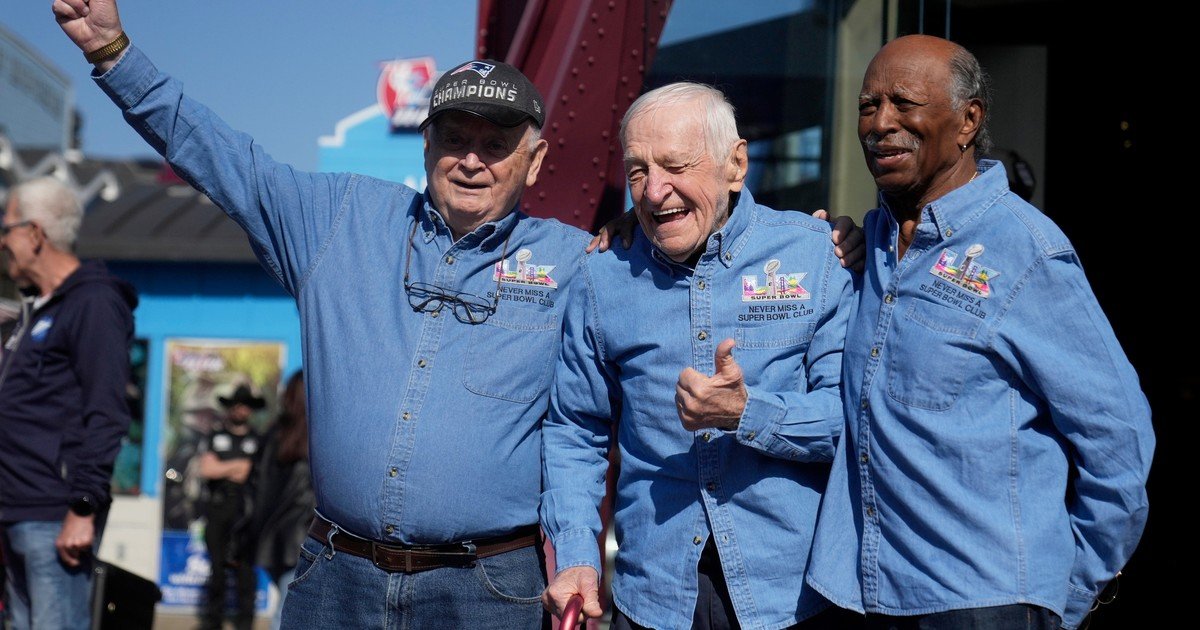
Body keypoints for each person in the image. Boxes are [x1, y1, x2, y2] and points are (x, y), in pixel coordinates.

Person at [52, 2, 863, 626]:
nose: (473, 157)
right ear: (426, 141)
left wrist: (830, 243)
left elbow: (586, 419)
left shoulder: (584, 260)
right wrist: (115, 56)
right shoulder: (334, 221)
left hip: (488, 590)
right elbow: (218, 154)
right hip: (335, 577)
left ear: (536, 159)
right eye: (454, 136)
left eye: (497, 140)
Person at [803, 35, 1155, 630]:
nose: (881, 123)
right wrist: (631, 225)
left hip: (981, 604)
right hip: (863, 597)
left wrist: (1058, 595)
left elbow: (1118, 441)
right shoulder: (867, 244)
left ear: (969, 121)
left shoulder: (1027, 254)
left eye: (904, 103)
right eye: (868, 105)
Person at [540, 83, 859, 629]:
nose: (654, 190)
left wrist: (747, 414)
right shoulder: (603, 276)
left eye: (676, 165)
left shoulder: (817, 256)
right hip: (654, 596)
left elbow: (854, 421)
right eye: (637, 170)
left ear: (735, 165)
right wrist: (575, 554)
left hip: (795, 598)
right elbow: (575, 429)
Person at [0, 176, 137, 629]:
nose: (3, 242)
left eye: (7, 229)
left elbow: (108, 411)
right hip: (17, 511)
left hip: (55, 519)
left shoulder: (93, 303)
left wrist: (83, 507)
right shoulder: (40, 309)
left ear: (35, 233)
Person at [234, 371, 314, 630]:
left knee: (287, 607)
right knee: (289, 612)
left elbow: (251, 490)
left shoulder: (273, 436)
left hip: (270, 542)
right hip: (303, 541)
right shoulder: (318, 439)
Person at [197, 384, 264, 630]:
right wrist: (238, 466)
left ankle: (245, 623)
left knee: (245, 570)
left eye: (245, 405)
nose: (241, 410)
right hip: (218, 508)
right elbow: (207, 469)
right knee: (217, 570)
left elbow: (253, 472)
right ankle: (213, 622)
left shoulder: (257, 439)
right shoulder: (216, 435)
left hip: (246, 511)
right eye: (237, 404)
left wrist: (226, 468)